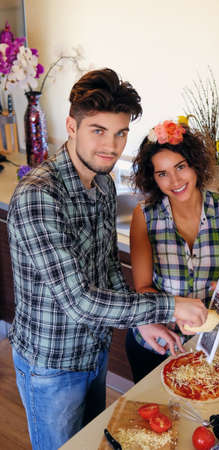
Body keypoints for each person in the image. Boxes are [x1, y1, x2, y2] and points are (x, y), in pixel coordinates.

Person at [7, 70, 208, 450]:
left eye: (120, 133)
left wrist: (146, 321)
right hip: (53, 366)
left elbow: (106, 269)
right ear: (71, 125)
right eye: (98, 130)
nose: (111, 146)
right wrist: (171, 305)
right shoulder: (39, 197)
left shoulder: (103, 183)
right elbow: (80, 301)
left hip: (93, 352)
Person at [126, 119, 219, 383]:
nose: (175, 180)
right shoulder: (145, 216)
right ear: (153, 178)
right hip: (155, 343)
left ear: (195, 164)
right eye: (162, 173)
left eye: (180, 167)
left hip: (208, 346)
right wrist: (174, 311)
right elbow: (143, 289)